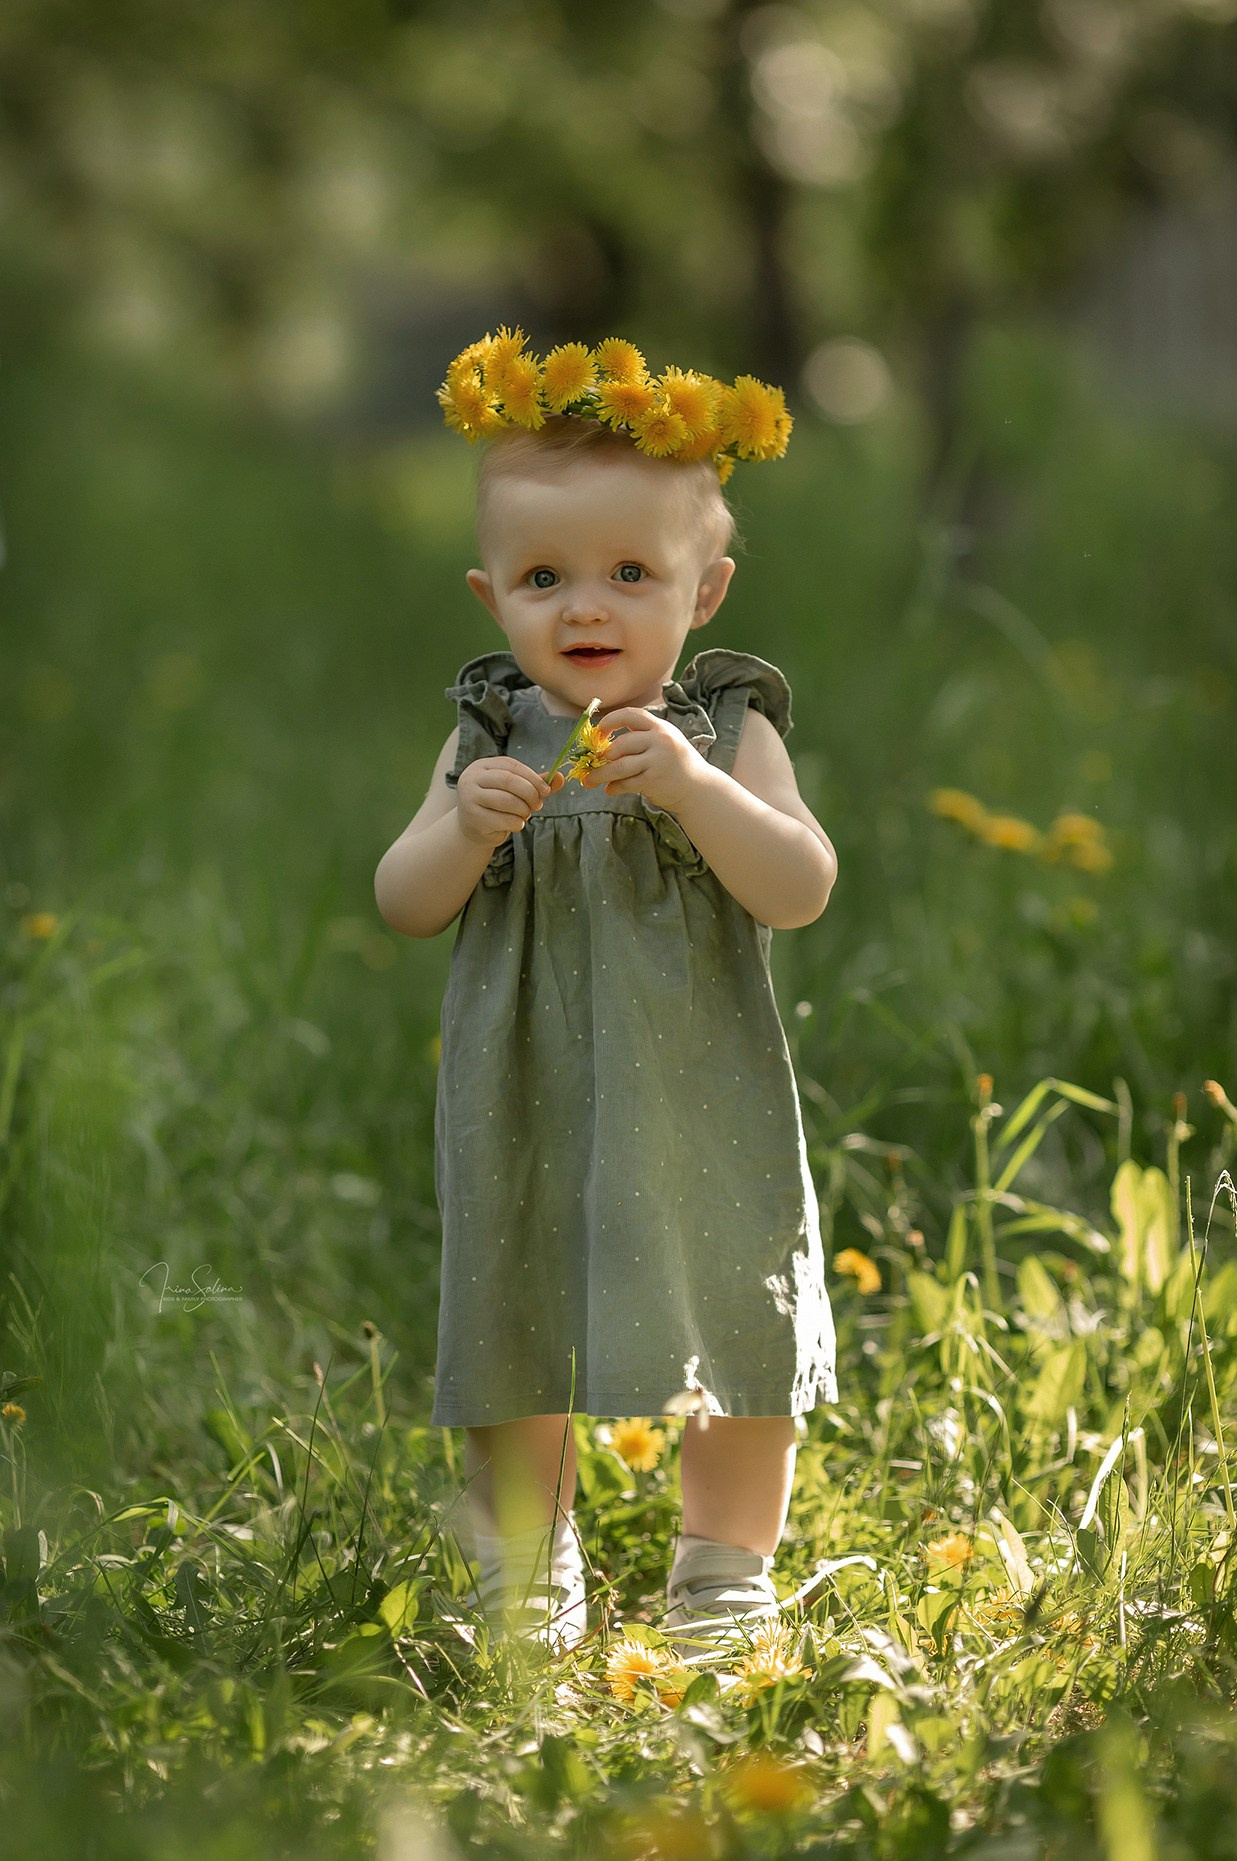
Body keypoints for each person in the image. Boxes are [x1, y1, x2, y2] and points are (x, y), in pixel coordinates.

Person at [374, 331, 838, 1657]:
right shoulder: (486, 737)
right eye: (544, 577)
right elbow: (404, 899)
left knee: (736, 1308)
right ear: (491, 597)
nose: (587, 606)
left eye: (632, 573)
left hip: (702, 1091)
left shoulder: (726, 732)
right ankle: (528, 1572)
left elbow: (800, 884)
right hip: (528, 1088)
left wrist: (699, 792)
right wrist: (461, 829)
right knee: (514, 1315)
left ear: (705, 592)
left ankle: (725, 1573)